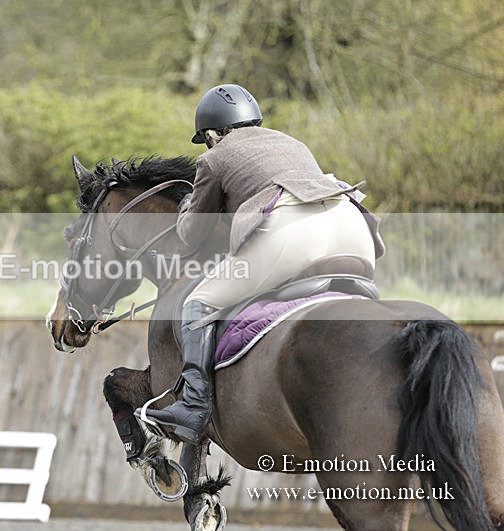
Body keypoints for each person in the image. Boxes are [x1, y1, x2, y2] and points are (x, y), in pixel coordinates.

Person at [138, 83, 385, 445]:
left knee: (197, 303)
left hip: (293, 234)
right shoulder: (292, 143)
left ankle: (192, 406)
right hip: (353, 228)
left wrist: (189, 202)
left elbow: (193, 233)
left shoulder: (214, 157)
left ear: (211, 133)